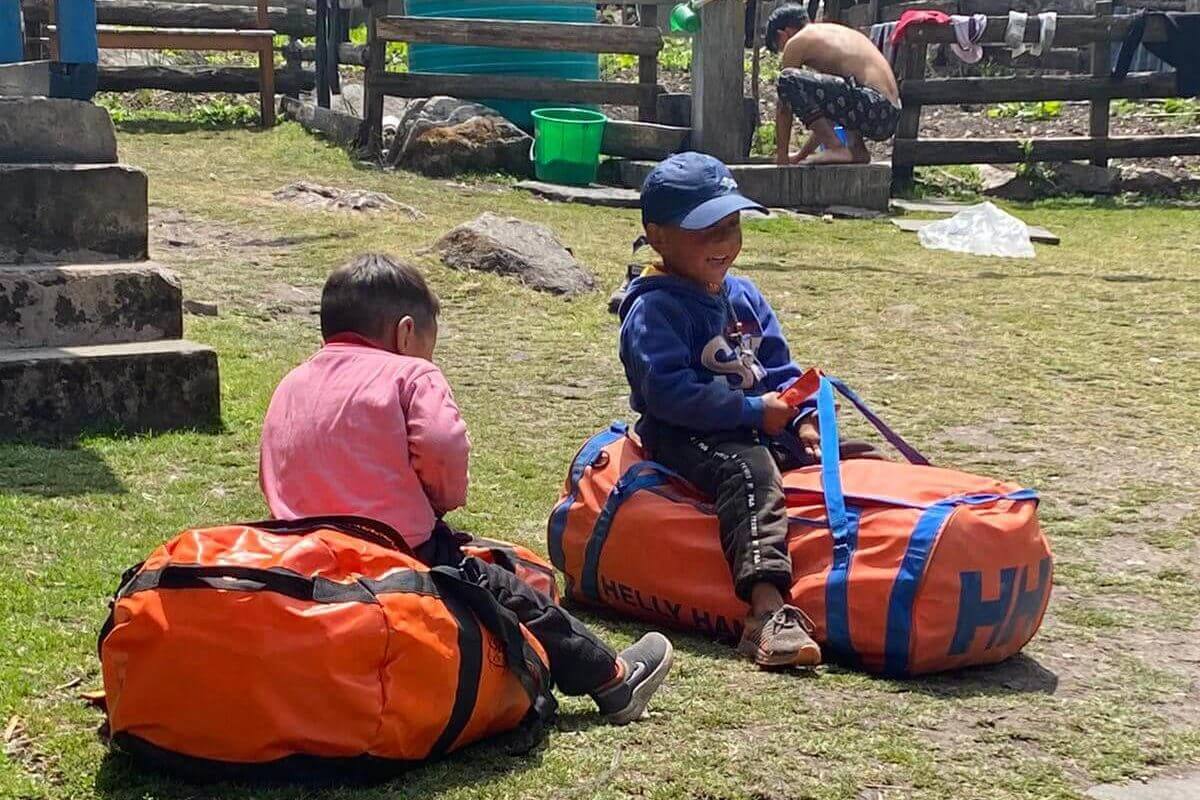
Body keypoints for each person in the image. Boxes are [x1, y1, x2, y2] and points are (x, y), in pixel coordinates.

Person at [260, 253, 673, 725]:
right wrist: (441, 499)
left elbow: (273, 463)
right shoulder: (410, 373)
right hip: (397, 549)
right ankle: (613, 679)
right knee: (505, 590)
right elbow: (443, 445)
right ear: (406, 333)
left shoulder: (293, 380)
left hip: (298, 549)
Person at [618, 153, 880, 669]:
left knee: (849, 459)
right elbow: (667, 392)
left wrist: (801, 418)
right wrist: (755, 412)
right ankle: (765, 611)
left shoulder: (744, 296)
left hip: (753, 422)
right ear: (658, 235)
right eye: (705, 231)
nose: (724, 243)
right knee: (749, 469)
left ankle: (858, 580)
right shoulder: (654, 308)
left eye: (732, 226)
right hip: (682, 433)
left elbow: (779, 368)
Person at [765, 4, 900, 165]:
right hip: (887, 115)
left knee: (787, 79)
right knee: (844, 87)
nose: (783, 52)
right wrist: (801, 156)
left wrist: (782, 157)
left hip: (874, 105)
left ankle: (836, 147)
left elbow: (783, 108)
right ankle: (856, 150)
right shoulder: (832, 36)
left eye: (779, 47)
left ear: (782, 34)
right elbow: (829, 112)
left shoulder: (797, 41)